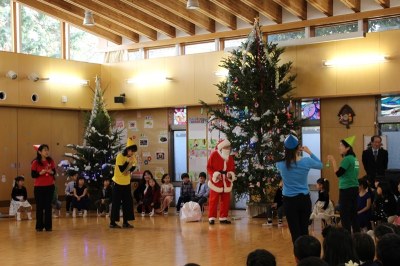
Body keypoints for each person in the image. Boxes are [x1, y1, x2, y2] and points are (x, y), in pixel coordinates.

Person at [276, 134, 323, 242]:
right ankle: (306, 256)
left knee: (295, 232)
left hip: (289, 202)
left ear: (285, 149)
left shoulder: (280, 164)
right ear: (298, 148)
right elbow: (320, 165)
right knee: (304, 231)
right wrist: (309, 152)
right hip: (304, 200)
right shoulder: (306, 161)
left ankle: (298, 255)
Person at [327, 135, 360, 233]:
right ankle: (357, 237)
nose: (339, 147)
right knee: (354, 214)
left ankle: (347, 238)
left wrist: (333, 161)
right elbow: (355, 173)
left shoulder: (347, 159)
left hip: (346, 189)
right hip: (355, 188)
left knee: (345, 215)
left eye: (341, 145)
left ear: (348, 148)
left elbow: (338, 173)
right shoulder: (356, 159)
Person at [207, 139, 236, 225]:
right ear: (222, 147)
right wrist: (215, 175)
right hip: (216, 182)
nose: (228, 148)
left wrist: (230, 174)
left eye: (229, 147)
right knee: (213, 200)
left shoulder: (230, 157)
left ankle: (223, 218)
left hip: (226, 182)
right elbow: (209, 167)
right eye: (227, 147)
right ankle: (211, 218)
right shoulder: (214, 155)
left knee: (226, 201)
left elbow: (233, 169)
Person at [110, 137, 137, 229]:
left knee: (127, 203)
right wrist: (128, 162)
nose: (132, 153)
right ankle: (112, 223)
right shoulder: (120, 156)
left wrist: (131, 164)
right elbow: (122, 170)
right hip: (117, 182)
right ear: (127, 149)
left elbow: (132, 168)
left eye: (133, 152)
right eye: (131, 151)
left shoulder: (132, 157)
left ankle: (126, 222)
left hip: (126, 183)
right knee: (116, 203)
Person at [31, 144, 56, 232]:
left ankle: (48, 226)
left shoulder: (50, 161)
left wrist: (51, 171)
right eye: (45, 150)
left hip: (49, 187)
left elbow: (54, 172)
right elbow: (33, 175)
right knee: (40, 207)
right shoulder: (35, 162)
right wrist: (40, 173)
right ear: (39, 152)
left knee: (48, 207)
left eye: (47, 150)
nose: (47, 152)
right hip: (39, 188)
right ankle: (39, 226)